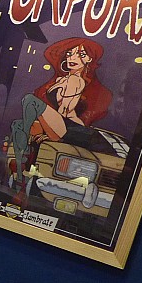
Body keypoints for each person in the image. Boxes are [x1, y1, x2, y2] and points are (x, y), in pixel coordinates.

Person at [8, 38, 111, 189]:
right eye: (70, 54)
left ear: (89, 59)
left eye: (81, 54)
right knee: (17, 125)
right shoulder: (63, 79)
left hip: (71, 127)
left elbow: (65, 111)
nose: (72, 58)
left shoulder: (76, 81)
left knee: (30, 101)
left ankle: (23, 163)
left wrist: (51, 134)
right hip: (60, 124)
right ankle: (20, 172)